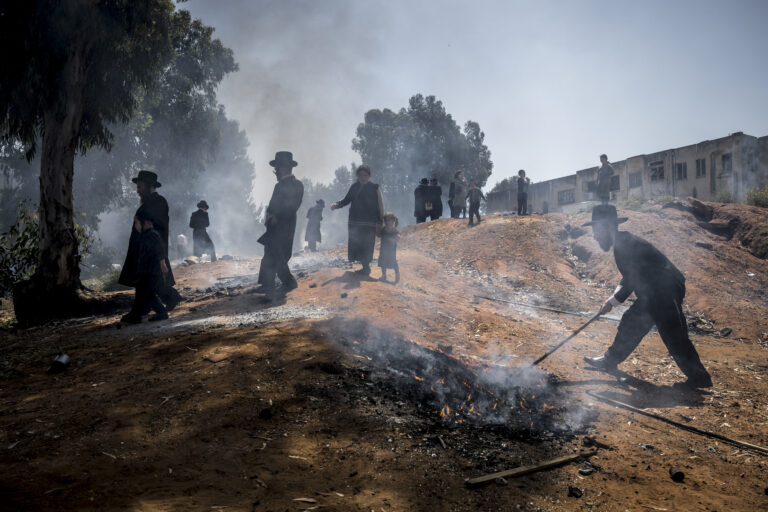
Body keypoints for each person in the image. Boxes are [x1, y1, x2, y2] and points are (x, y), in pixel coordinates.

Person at [582, 205, 712, 390]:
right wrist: (611, 300)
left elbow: (631, 278)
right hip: (653, 293)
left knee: (674, 336)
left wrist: (613, 302)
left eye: (597, 229)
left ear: (608, 227)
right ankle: (610, 360)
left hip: (666, 290)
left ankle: (700, 378)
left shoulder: (624, 244)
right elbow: (628, 277)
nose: (594, 235)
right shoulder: (622, 243)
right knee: (631, 323)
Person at [119, 170, 181, 311]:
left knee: (147, 281)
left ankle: (141, 311)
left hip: (152, 249)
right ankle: (168, 299)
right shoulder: (149, 203)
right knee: (153, 282)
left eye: (140, 187)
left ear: (150, 187)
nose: (138, 191)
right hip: (146, 249)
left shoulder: (158, 202)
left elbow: (156, 227)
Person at [256, 151, 304, 295]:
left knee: (279, 255)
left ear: (284, 167)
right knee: (270, 253)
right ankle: (267, 284)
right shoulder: (278, 186)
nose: (275, 171)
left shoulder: (297, 185)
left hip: (285, 225)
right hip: (273, 226)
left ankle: (289, 282)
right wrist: (269, 215)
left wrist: (277, 215)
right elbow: (272, 205)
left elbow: (293, 205)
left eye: (277, 168)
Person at [331, 165, 384, 275]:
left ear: (369, 176)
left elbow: (380, 205)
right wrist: (337, 204)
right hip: (355, 222)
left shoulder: (374, 188)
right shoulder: (354, 187)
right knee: (357, 243)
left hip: (369, 223)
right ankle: (364, 267)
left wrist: (380, 220)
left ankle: (366, 267)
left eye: (365, 175)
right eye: (360, 175)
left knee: (367, 244)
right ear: (357, 176)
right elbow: (347, 199)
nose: (363, 177)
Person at [121, 211, 168, 323]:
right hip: (146, 271)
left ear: (146, 223)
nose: (136, 226)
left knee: (145, 294)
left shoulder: (152, 234)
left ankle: (139, 315)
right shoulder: (145, 235)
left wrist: (162, 263)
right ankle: (156, 313)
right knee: (147, 294)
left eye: (137, 223)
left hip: (151, 271)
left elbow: (159, 250)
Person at [377, 212, 400, 283]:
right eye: (387, 220)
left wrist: (395, 239)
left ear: (393, 221)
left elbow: (398, 236)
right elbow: (379, 235)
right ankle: (384, 275)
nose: (388, 222)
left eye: (390, 220)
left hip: (391, 250)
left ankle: (397, 274)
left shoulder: (394, 230)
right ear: (385, 221)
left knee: (393, 261)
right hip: (383, 250)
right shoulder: (383, 229)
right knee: (383, 262)